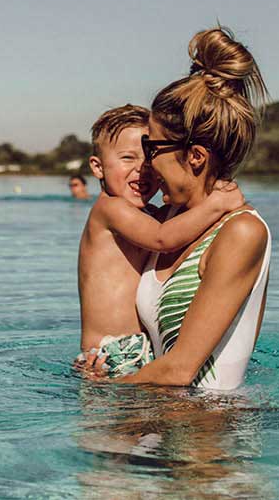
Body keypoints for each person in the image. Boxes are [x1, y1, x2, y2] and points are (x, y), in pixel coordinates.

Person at [114, 27, 271, 390]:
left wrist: (95, 394)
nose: (147, 163)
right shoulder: (166, 224)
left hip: (208, 424)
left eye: (152, 148)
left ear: (196, 156)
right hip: (156, 414)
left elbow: (179, 371)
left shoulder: (242, 232)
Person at [76, 104, 245, 377]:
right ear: (97, 167)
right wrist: (218, 204)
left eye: (149, 158)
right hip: (110, 352)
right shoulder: (109, 210)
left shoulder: (147, 216)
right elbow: (162, 239)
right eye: (127, 158)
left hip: (133, 350)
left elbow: (177, 224)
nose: (141, 169)